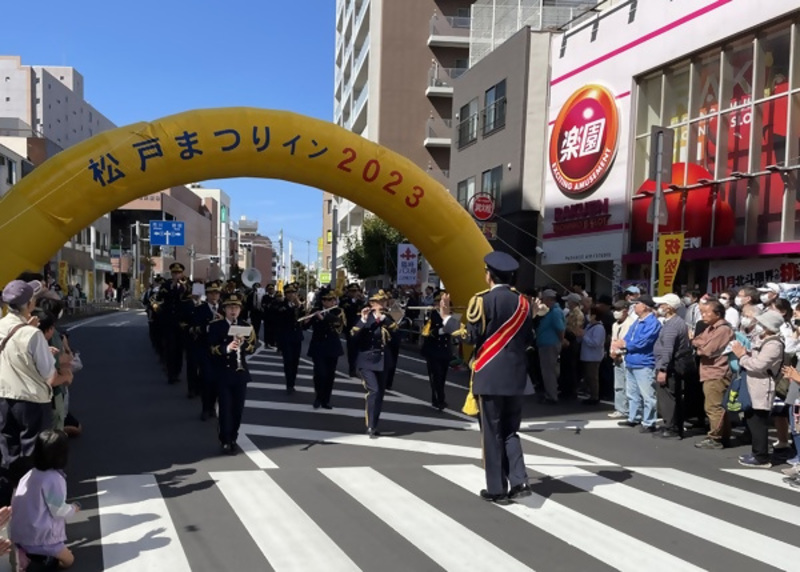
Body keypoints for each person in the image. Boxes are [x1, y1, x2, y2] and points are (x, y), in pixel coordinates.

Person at [463, 252, 534, 505]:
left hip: (490, 374)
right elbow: (529, 339)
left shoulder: (482, 300)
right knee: (510, 431)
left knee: (492, 433)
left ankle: (497, 489)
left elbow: (470, 337)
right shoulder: (524, 302)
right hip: (516, 375)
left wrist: (449, 322)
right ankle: (519, 481)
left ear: (489, 275)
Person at [0, 281, 72, 506]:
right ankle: (33, 505)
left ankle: (9, 505)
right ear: (30, 303)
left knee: (8, 454)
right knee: (34, 454)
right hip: (31, 400)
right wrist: (49, 355)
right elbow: (48, 374)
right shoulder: (32, 334)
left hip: (3, 397)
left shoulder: (2, 326)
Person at [10, 430, 79, 569]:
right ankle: (41, 560)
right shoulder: (54, 479)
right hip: (41, 538)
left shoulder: (30, 474)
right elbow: (58, 510)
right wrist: (73, 508)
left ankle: (24, 555)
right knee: (68, 560)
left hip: (19, 534)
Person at [731, 310, 786, 467]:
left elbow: (758, 365)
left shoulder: (774, 344)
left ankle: (761, 457)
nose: (758, 326)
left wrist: (742, 356)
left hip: (762, 386)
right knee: (751, 418)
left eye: (761, 323)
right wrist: (746, 353)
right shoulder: (763, 339)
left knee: (759, 422)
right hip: (753, 384)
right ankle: (756, 452)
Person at [207, 294, 257, 455]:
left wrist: (243, 344)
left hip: (240, 374)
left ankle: (233, 437)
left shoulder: (246, 326)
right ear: (225, 309)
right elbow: (211, 348)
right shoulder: (216, 326)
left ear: (240, 310)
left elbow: (252, 348)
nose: (233, 310)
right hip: (223, 373)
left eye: (236, 307)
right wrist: (227, 348)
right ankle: (225, 440)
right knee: (225, 408)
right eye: (230, 308)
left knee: (237, 410)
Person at [352, 290, 399, 438]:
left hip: (383, 360)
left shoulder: (388, 318)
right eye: (379, 302)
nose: (382, 304)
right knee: (374, 391)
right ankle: (370, 426)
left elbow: (397, 335)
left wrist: (385, 320)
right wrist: (364, 320)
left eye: (384, 301)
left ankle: (374, 424)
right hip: (367, 361)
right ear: (372, 303)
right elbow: (353, 336)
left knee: (380, 395)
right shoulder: (364, 317)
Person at [613, 295, 662, 432]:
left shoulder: (653, 323)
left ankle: (649, 422)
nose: (634, 306)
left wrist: (625, 344)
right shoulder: (637, 321)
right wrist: (623, 343)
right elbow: (628, 336)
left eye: (637, 303)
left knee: (648, 395)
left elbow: (643, 342)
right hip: (631, 360)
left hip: (644, 362)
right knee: (632, 393)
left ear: (645, 306)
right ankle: (634, 417)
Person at [692, 300, 735, 450]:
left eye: (706, 312)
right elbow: (696, 340)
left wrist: (700, 348)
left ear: (718, 314)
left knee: (713, 406)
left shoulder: (722, 330)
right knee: (717, 406)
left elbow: (707, 350)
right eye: (702, 312)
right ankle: (723, 435)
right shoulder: (710, 328)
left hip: (717, 371)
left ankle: (715, 437)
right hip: (709, 371)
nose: (703, 315)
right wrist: (700, 345)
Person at [652, 293, 692, 439]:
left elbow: (668, 349)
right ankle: (673, 426)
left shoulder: (672, 325)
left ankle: (672, 428)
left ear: (669, 307)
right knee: (672, 397)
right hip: (673, 364)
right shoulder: (676, 322)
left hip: (669, 366)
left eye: (662, 304)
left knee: (668, 398)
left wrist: (663, 369)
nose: (659, 307)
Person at [421, 291, 461, 411]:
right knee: (436, 376)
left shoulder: (450, 315)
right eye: (441, 302)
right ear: (437, 303)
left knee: (442, 376)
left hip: (445, 351)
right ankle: (439, 400)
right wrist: (442, 330)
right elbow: (427, 332)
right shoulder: (431, 314)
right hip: (433, 350)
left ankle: (438, 398)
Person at [305, 292, 345, 409]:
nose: (331, 302)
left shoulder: (338, 311)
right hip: (318, 346)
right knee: (319, 373)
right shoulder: (315, 311)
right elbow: (305, 327)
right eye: (328, 300)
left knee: (330, 375)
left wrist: (323, 318)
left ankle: (326, 400)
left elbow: (338, 324)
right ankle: (318, 397)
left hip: (332, 347)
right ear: (323, 301)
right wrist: (307, 320)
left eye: (332, 300)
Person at [154, 263, 188, 384]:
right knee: (170, 348)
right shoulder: (166, 285)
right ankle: (170, 374)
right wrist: (172, 287)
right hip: (168, 321)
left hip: (181, 322)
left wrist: (183, 288)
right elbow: (160, 298)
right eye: (174, 273)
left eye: (179, 273)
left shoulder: (186, 286)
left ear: (182, 274)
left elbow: (189, 300)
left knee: (179, 349)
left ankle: (177, 371)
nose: (176, 275)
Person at [193, 281, 222, 421]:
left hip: (221, 351)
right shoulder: (200, 309)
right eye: (211, 293)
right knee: (206, 380)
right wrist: (210, 326)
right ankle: (205, 408)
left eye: (216, 293)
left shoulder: (225, 309)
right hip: (205, 348)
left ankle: (212, 407)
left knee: (217, 381)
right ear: (207, 295)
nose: (214, 296)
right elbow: (194, 328)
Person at [536, 289, 566, 404]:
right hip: (547, 344)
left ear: (549, 299)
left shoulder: (555, 312)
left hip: (550, 344)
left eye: (543, 299)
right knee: (548, 370)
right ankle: (550, 393)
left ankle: (552, 396)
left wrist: (561, 340)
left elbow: (560, 328)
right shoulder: (550, 311)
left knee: (549, 371)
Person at [275, 284, 306, 395]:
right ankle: (289, 384)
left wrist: (299, 306)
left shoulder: (299, 305)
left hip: (297, 337)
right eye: (289, 293)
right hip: (286, 337)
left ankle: (292, 381)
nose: (291, 295)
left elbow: (304, 318)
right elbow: (279, 319)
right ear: (285, 294)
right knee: (288, 361)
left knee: (295, 361)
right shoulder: (281, 305)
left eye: (293, 293)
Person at [608, 300, 634, 419]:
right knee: (618, 384)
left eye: (619, 310)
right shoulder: (615, 325)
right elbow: (613, 340)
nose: (616, 312)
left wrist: (619, 352)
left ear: (626, 311)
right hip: (616, 357)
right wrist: (612, 352)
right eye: (615, 310)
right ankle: (620, 408)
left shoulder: (631, 323)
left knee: (629, 384)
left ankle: (629, 409)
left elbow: (627, 341)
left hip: (626, 357)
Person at [579, 306, 605, 405]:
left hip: (593, 357)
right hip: (587, 356)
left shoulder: (599, 328)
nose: (588, 316)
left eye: (589, 314)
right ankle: (591, 394)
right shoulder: (589, 325)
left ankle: (595, 396)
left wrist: (584, 336)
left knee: (592, 377)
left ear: (594, 316)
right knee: (588, 376)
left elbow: (595, 343)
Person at [340, 284, 365, 377]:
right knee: (352, 350)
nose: (355, 293)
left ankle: (359, 368)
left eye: (356, 291)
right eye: (352, 291)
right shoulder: (345, 301)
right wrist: (355, 302)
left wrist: (361, 301)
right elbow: (349, 311)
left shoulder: (361, 301)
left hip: (361, 328)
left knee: (361, 350)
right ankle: (352, 369)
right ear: (349, 292)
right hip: (350, 328)